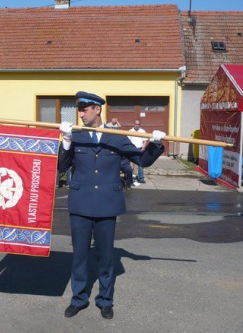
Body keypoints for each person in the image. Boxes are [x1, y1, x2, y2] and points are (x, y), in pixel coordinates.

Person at [58, 91, 165, 319]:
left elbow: (141, 160)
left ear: (97, 109)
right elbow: (60, 166)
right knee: (79, 256)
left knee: (106, 258)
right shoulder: (76, 135)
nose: (80, 114)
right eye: (79, 109)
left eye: (84, 109)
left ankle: (105, 300)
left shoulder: (116, 137)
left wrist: (155, 144)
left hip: (106, 205)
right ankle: (79, 299)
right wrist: (66, 141)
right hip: (81, 205)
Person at [128, 119, 148, 184]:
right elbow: (128, 141)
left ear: (140, 125)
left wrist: (143, 148)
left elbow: (145, 140)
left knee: (140, 164)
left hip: (140, 149)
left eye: (138, 124)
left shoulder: (143, 131)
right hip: (132, 149)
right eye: (136, 124)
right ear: (134, 124)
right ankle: (130, 178)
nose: (137, 125)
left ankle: (141, 178)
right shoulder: (130, 131)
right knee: (131, 164)